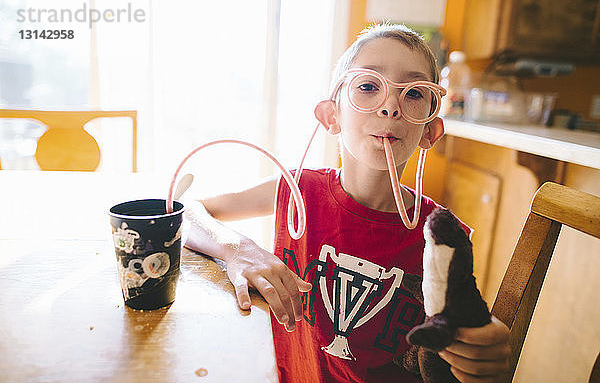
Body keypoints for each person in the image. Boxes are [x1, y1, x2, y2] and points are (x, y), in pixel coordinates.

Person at [184, 23, 510, 382]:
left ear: (429, 131)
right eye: (369, 86)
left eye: (414, 93)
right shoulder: (298, 190)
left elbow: (462, 324)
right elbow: (187, 212)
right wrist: (237, 248)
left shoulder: (441, 234)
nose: (390, 107)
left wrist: (482, 348)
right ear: (331, 116)